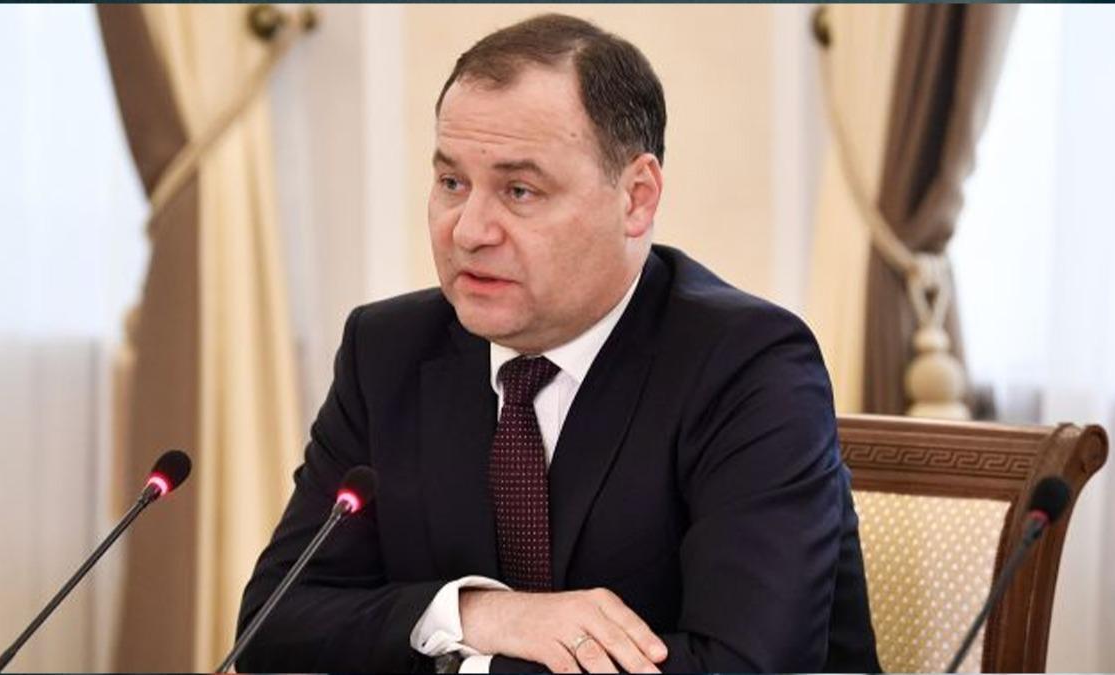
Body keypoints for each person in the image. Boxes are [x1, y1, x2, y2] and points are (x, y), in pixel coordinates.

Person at [237, 13, 880, 674]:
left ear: (636, 198)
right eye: (452, 183)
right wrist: (481, 613)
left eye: (520, 191)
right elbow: (274, 625)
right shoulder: (387, 351)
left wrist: (472, 666)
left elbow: (745, 666)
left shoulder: (748, 366)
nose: (469, 231)